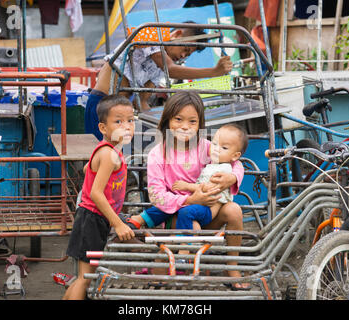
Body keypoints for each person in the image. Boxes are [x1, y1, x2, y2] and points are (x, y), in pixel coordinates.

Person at [122, 91, 249, 289]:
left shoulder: (206, 147)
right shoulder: (158, 154)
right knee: (161, 272)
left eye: (192, 122)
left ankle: (231, 267)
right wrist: (190, 200)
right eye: (178, 119)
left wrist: (232, 177)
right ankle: (175, 263)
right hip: (173, 216)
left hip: (206, 214)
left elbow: (236, 163)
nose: (184, 127)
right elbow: (156, 196)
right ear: (167, 121)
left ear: (200, 125)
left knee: (234, 210)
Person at [85, 21, 233, 140]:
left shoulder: (159, 69)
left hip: (120, 116)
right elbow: (171, 68)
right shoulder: (150, 35)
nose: (183, 56)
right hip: (101, 105)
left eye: (187, 55)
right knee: (100, 158)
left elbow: (141, 101)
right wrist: (213, 72)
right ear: (177, 34)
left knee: (118, 163)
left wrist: (165, 127)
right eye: (185, 50)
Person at [63, 95, 136, 300]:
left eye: (130, 120)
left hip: (93, 218)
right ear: (103, 128)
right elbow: (96, 193)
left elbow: (88, 169)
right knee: (85, 278)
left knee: (83, 276)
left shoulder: (110, 151)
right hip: (92, 219)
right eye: (118, 121)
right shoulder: (108, 155)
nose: (127, 126)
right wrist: (118, 224)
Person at [171, 123, 249, 228]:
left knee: (233, 210)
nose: (216, 148)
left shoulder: (222, 167)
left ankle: (234, 245)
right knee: (189, 221)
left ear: (235, 155)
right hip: (184, 207)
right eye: (215, 144)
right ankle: (184, 240)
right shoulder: (212, 161)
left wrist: (233, 177)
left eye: (224, 147)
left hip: (207, 211)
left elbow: (237, 165)